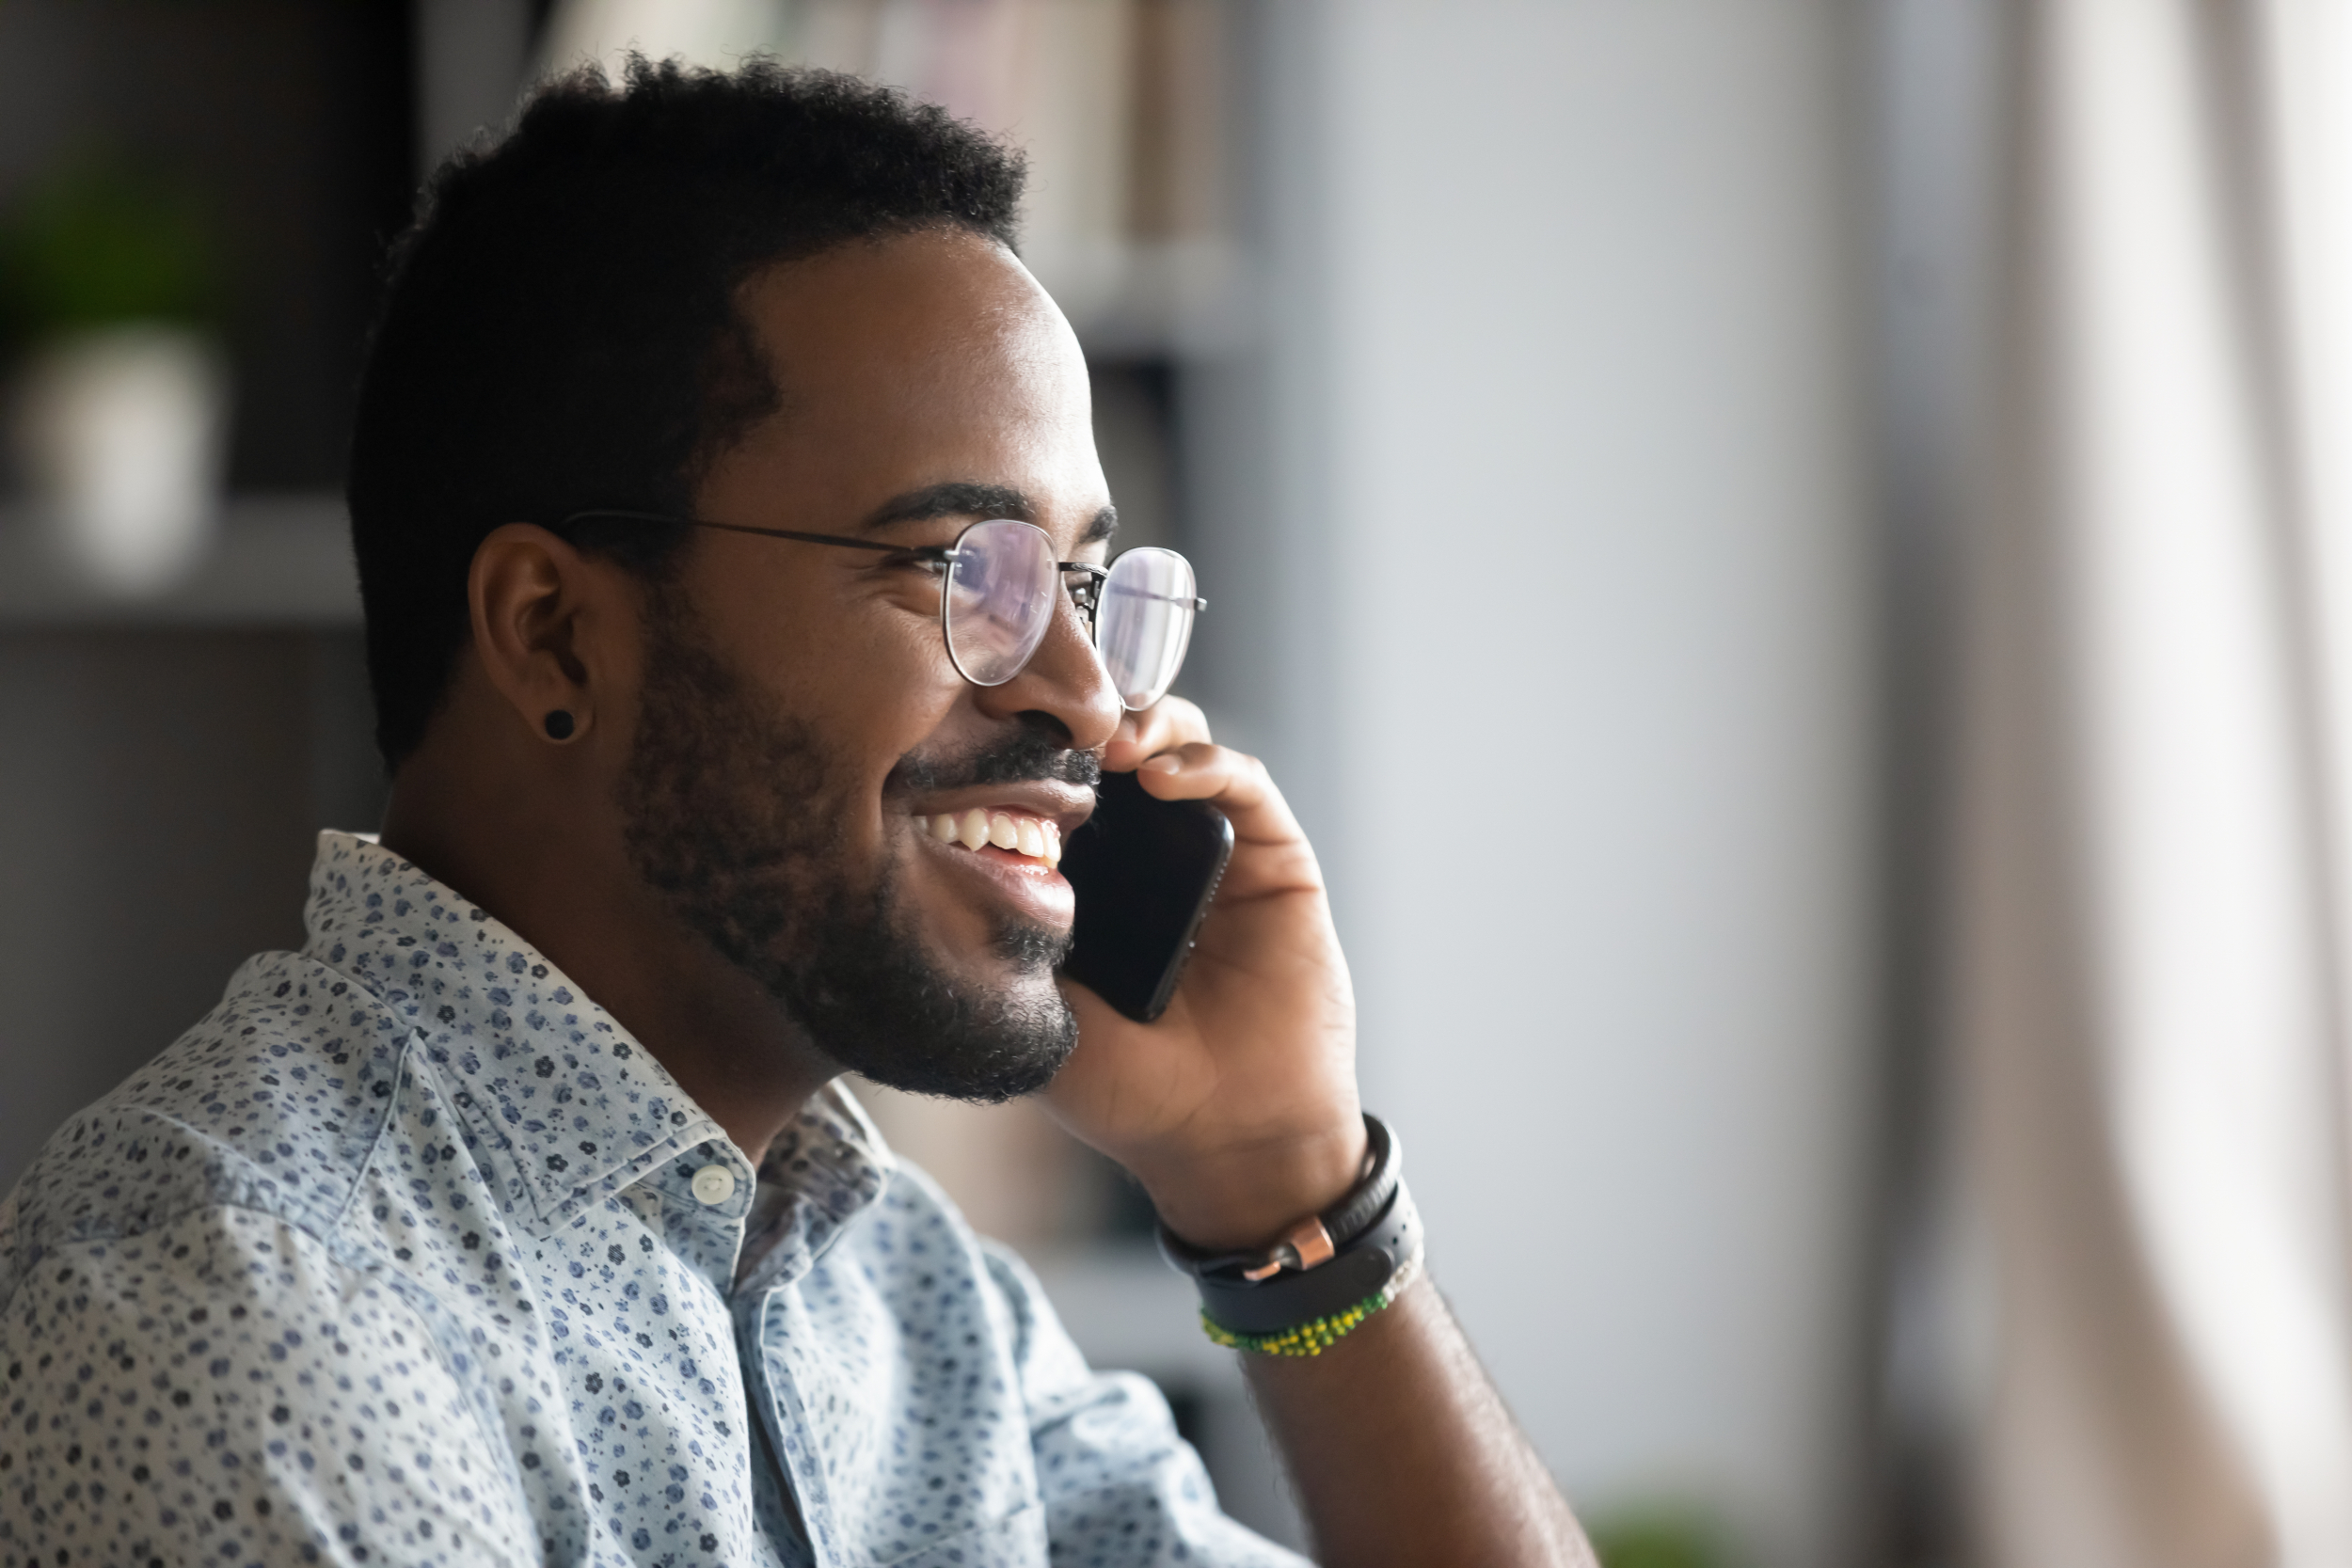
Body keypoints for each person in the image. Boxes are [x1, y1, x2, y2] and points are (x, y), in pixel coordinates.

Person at [0, 61, 1588, 1568]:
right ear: (554, 634)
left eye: (1086, 585)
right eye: (967, 568)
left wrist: (1286, 1187)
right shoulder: (252, 1311)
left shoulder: (912, 1303)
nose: (1092, 705)